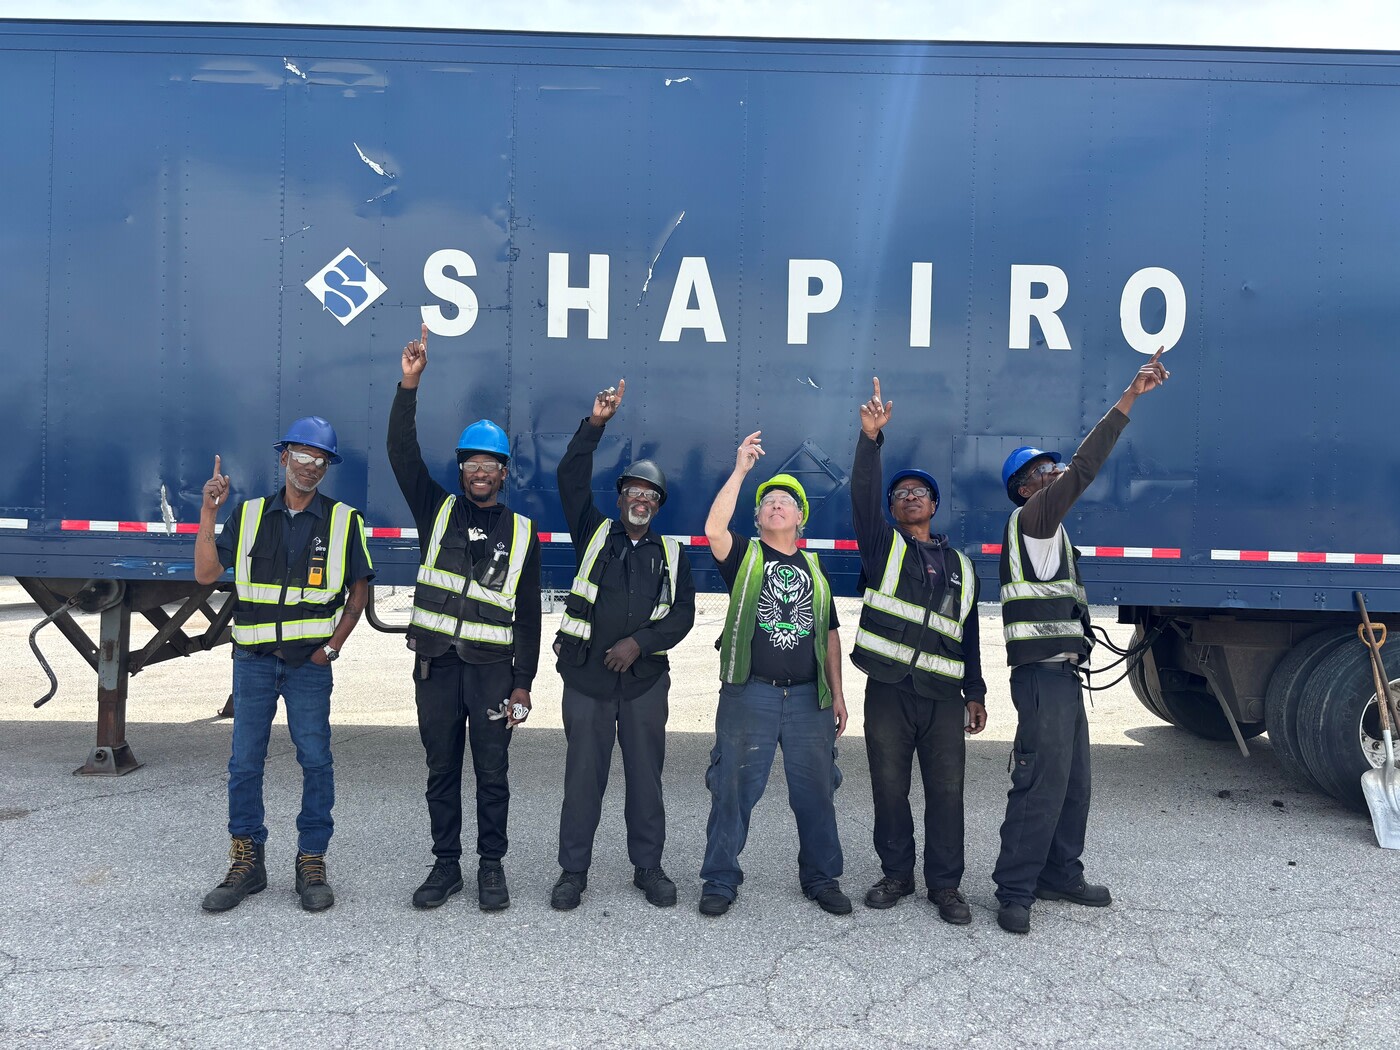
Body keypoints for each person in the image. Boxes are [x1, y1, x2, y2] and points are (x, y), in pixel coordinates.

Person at [992, 348, 1170, 935]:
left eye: (1052, 470)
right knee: (1040, 780)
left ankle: (1060, 872)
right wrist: (1129, 398)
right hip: (1041, 678)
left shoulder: (1053, 533)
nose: (1053, 476)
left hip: (1061, 674)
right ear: (1024, 491)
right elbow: (1086, 467)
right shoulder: (1036, 521)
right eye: (1040, 474)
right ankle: (1015, 889)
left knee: (1073, 782)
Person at [388, 324, 541, 913]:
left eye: (491, 463)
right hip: (436, 669)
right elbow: (401, 454)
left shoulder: (522, 533)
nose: (481, 470)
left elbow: (528, 617)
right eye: (472, 461)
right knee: (441, 768)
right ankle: (446, 865)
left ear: (504, 473)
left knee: (494, 772)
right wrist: (410, 385)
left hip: (492, 675)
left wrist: (524, 682)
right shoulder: (436, 511)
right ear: (461, 469)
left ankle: (492, 868)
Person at [195, 418, 374, 913]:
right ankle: (246, 863)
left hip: (309, 666)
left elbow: (359, 589)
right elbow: (206, 572)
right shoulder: (249, 516)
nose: (309, 467)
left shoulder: (343, 521)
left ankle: (311, 859)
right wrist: (209, 511)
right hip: (252, 661)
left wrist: (332, 648)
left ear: (326, 468)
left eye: (320, 460)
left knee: (315, 760)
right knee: (244, 763)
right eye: (301, 456)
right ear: (283, 458)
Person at [550, 379, 697, 910]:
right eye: (633, 492)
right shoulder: (592, 533)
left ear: (657, 506)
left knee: (645, 781)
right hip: (586, 680)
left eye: (650, 495)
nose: (641, 500)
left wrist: (639, 642)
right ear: (620, 500)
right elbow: (569, 477)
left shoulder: (674, 556)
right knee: (582, 780)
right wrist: (596, 424)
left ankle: (648, 868)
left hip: (643, 685)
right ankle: (572, 873)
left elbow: (682, 617)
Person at [849, 378, 987, 924]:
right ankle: (896, 875)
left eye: (920, 493)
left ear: (934, 506)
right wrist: (870, 442)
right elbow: (863, 496)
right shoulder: (882, 547)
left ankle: (946, 887)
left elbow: (968, 635)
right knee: (889, 788)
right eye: (901, 493)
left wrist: (974, 693)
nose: (910, 497)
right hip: (887, 688)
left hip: (943, 697)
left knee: (947, 793)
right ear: (893, 509)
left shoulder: (963, 567)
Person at [698, 430, 850, 917]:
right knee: (732, 790)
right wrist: (742, 470)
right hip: (751, 695)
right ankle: (720, 879)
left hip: (809, 700)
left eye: (786, 501)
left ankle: (821, 878)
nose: (776, 506)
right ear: (759, 517)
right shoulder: (745, 556)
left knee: (817, 793)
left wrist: (839, 697)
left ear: (800, 518)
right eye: (768, 503)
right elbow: (714, 529)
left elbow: (828, 632)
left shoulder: (815, 567)